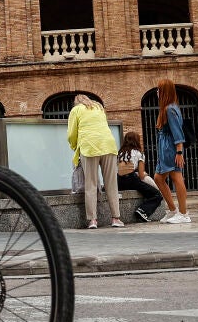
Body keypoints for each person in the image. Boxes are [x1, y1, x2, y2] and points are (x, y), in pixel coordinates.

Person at [67, 94, 121, 228]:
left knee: (90, 184)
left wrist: (74, 146)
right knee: (111, 184)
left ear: (76, 102)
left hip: (89, 146)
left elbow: (72, 134)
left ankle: (93, 221)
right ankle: (115, 219)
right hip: (108, 145)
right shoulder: (99, 107)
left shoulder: (76, 110)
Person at [152, 79, 190, 224]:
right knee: (158, 178)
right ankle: (174, 210)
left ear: (164, 92)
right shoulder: (167, 108)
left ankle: (183, 213)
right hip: (165, 147)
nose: (157, 92)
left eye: (159, 89)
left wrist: (179, 152)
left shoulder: (170, 109)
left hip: (171, 148)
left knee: (176, 176)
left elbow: (177, 132)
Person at [116, 130, 163, 220]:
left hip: (119, 182)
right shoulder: (139, 154)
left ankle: (142, 211)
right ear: (136, 141)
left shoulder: (120, 153)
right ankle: (142, 211)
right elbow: (141, 175)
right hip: (131, 180)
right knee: (157, 195)